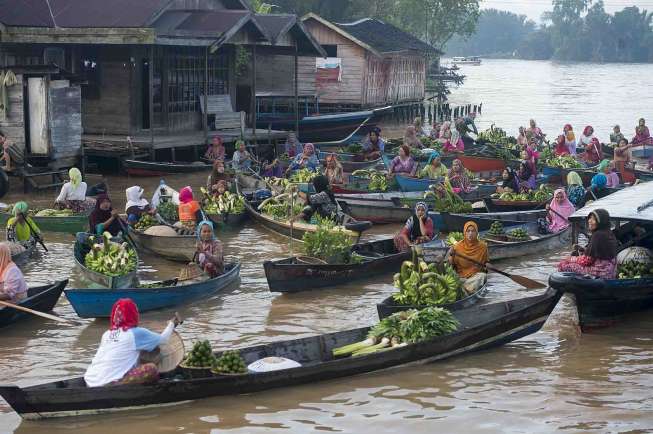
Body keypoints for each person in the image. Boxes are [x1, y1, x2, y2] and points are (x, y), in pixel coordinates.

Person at [84, 299, 180, 387]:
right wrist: (172, 324)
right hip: (108, 383)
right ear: (133, 314)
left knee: (138, 354)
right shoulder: (136, 333)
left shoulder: (107, 334)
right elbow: (163, 340)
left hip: (90, 379)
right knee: (151, 369)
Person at [557, 209, 617, 279]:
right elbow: (598, 252)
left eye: (594, 219)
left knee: (563, 264)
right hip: (610, 271)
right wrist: (583, 250)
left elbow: (586, 261)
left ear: (601, 222)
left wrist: (570, 259)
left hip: (601, 272)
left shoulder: (598, 235)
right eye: (590, 218)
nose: (590, 221)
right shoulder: (608, 233)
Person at [448, 222, 488, 294]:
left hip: (475, 276)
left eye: (473, 231)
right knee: (455, 280)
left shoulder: (483, 247)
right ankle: (467, 289)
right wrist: (451, 255)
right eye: (468, 231)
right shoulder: (457, 246)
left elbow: (485, 263)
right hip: (461, 276)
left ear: (476, 233)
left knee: (482, 276)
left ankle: (466, 289)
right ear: (464, 232)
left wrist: (487, 265)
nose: (470, 233)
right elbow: (452, 265)